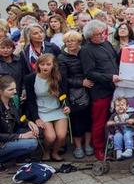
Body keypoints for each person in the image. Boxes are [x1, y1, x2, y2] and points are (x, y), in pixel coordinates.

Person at [79, 20, 120, 161]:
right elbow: (89, 73)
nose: (102, 35)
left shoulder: (106, 43)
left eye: (103, 32)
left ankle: (113, 146)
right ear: (90, 36)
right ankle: (99, 149)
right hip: (100, 92)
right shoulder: (86, 50)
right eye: (98, 34)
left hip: (114, 89)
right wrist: (110, 77)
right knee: (99, 122)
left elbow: (116, 59)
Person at [24, 54, 69, 162]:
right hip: (41, 111)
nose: (45, 67)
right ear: (38, 65)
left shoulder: (59, 76)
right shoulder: (30, 78)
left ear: (53, 65)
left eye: (48, 64)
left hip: (57, 109)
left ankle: (55, 152)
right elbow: (31, 101)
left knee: (61, 136)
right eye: (42, 64)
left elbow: (65, 94)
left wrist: (67, 106)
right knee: (50, 137)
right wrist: (36, 118)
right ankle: (46, 151)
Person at [57, 30, 94, 159]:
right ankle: (78, 147)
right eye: (67, 41)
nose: (69, 43)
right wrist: (81, 82)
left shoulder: (85, 52)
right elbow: (62, 79)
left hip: (90, 91)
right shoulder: (62, 57)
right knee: (77, 122)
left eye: (72, 40)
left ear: (78, 41)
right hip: (74, 93)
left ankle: (88, 144)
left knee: (89, 119)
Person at [0, 76, 39, 168]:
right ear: (1, 91)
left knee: (37, 131)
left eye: (15, 88)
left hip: (10, 135)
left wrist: (29, 122)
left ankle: (19, 158)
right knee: (32, 143)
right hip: (2, 142)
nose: (15, 91)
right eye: (10, 89)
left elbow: (18, 117)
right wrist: (22, 136)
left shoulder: (12, 100)